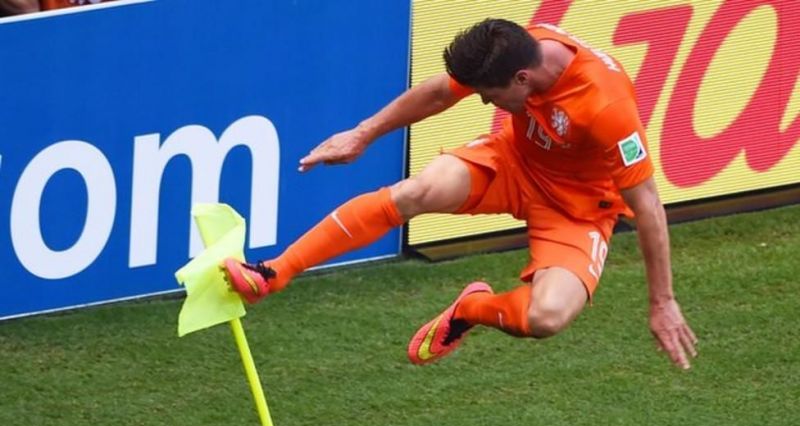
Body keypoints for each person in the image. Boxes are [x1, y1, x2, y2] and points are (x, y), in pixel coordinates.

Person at [223, 18, 698, 370]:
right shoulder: (514, 49)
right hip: (514, 162)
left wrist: (662, 302)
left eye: (490, 96)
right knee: (417, 191)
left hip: (578, 209)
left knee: (547, 317)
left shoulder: (605, 106)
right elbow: (437, 94)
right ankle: (271, 273)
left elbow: (648, 206)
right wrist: (362, 134)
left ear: (522, 81)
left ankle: (471, 308)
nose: (487, 103)